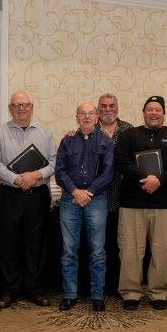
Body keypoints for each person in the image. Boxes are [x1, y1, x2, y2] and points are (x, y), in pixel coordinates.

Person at [114, 96, 167, 311]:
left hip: (166, 205)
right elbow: (121, 162)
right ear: (143, 113)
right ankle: (130, 293)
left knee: (162, 250)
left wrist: (159, 180)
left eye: (157, 110)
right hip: (132, 204)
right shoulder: (128, 135)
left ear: (163, 113)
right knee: (130, 250)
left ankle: (158, 292)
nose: (153, 113)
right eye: (149, 109)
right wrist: (146, 178)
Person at [0, 91, 57, 308]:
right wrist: (17, 179)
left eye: (25, 105)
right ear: (10, 108)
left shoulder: (44, 132)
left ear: (31, 107)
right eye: (17, 105)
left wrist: (35, 175)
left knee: (36, 244)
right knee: (9, 244)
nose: (21, 109)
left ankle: (34, 289)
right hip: (10, 195)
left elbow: (55, 161)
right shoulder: (0, 131)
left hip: (37, 196)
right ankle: (10, 290)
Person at [55, 102, 114, 312]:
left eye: (91, 113)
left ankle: (97, 295)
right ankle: (69, 295)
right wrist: (75, 191)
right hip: (70, 199)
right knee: (68, 250)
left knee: (97, 251)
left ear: (97, 117)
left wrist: (88, 192)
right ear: (77, 117)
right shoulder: (67, 141)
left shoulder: (106, 141)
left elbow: (109, 172)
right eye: (82, 113)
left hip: (95, 199)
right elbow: (60, 171)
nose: (87, 117)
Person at [95, 93, 133, 290]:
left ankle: (118, 285)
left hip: (123, 197)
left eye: (111, 105)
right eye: (104, 106)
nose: (108, 109)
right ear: (98, 109)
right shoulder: (89, 129)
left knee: (121, 245)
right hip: (96, 197)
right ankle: (98, 286)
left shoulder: (129, 130)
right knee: (97, 245)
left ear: (117, 108)